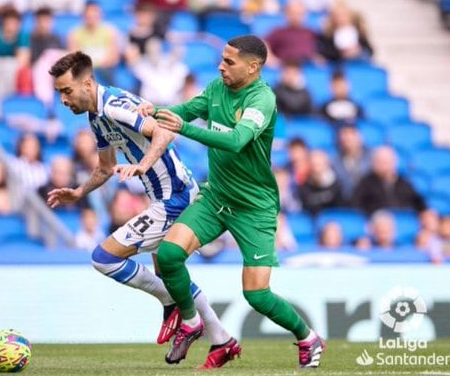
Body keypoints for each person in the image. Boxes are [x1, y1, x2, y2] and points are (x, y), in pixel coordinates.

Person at [138, 35, 324, 368]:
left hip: (254, 207)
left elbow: (237, 140)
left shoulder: (262, 100)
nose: (221, 66)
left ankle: (308, 337)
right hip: (217, 196)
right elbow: (187, 110)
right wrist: (157, 110)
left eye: (229, 62)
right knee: (168, 255)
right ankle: (193, 322)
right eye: (222, 59)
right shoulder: (216, 87)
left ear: (253, 67)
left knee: (256, 295)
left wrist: (182, 128)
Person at [47, 51, 240, 369]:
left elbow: (165, 130)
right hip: (164, 198)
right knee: (172, 274)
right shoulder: (96, 116)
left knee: (104, 258)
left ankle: (170, 302)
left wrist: (142, 165)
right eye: (59, 93)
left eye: (66, 91)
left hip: (175, 198)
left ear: (88, 83)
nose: (63, 100)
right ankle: (222, 341)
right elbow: (106, 167)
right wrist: (79, 192)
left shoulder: (114, 105)